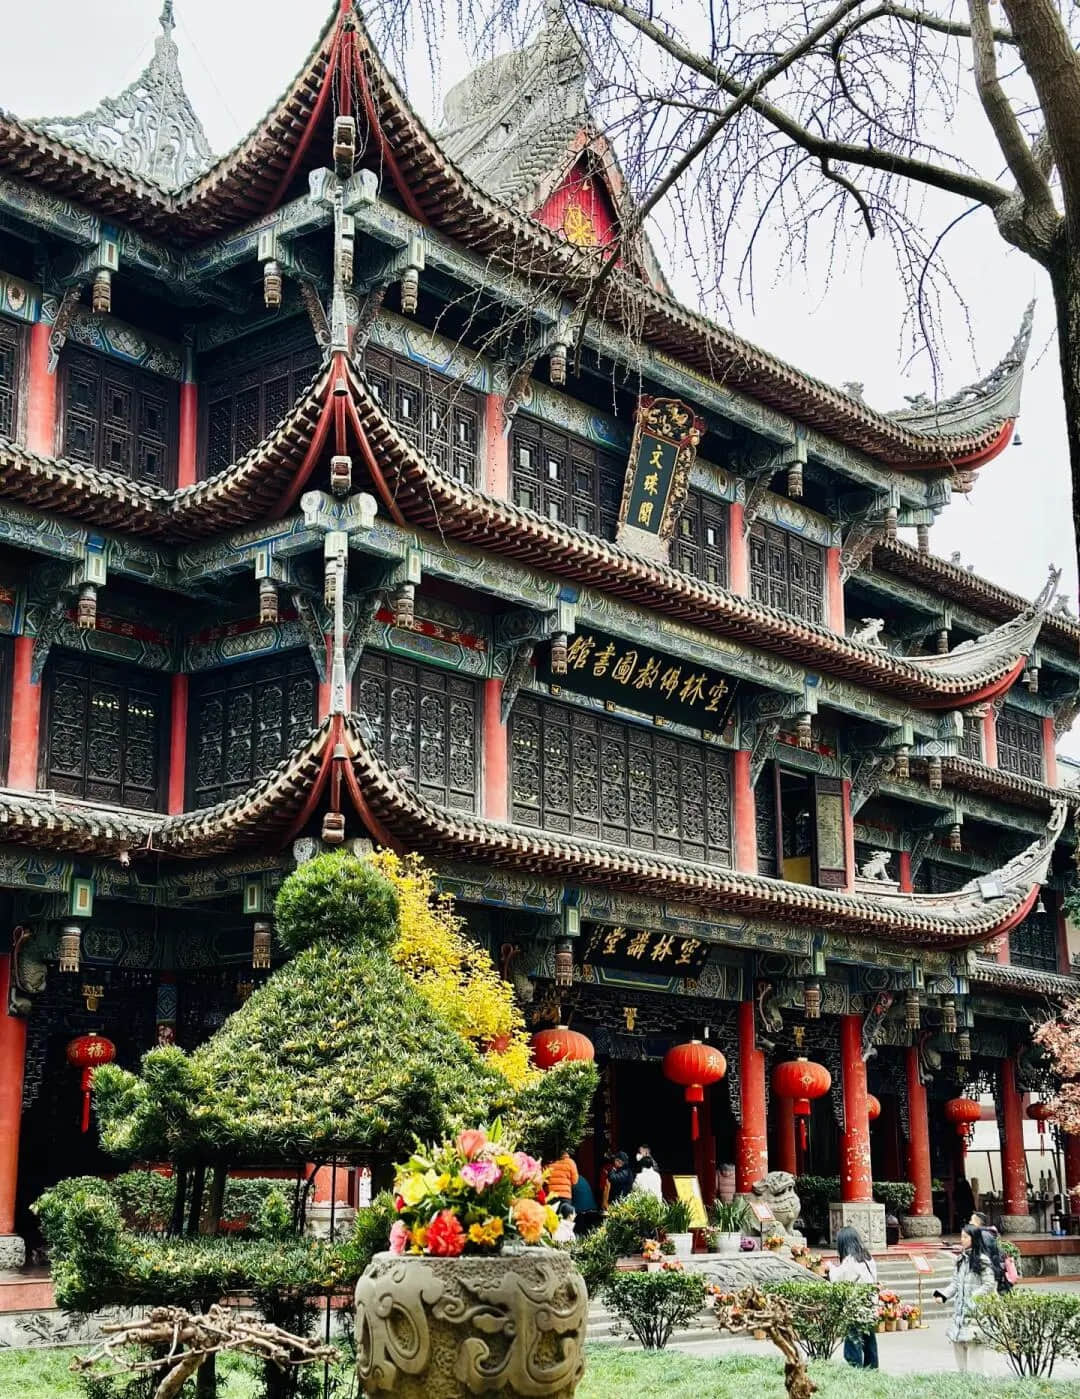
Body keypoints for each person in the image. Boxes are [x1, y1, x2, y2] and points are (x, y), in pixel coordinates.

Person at [933, 1225, 1000, 1372]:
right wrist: (943, 1295)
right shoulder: (960, 1259)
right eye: (961, 1236)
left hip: (976, 1312)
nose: (962, 1240)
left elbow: (989, 1284)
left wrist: (974, 1297)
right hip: (960, 1311)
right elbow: (955, 1283)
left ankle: (976, 1382)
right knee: (958, 1345)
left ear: (974, 1239)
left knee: (974, 1348)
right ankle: (963, 1380)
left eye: (965, 1237)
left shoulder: (982, 1260)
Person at [827, 1226, 878, 1369]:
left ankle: (855, 1372)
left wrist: (830, 1267)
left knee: (853, 1346)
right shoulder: (867, 1257)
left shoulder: (850, 1261)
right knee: (869, 1344)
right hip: (870, 1308)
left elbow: (837, 1278)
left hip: (855, 1310)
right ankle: (872, 1371)